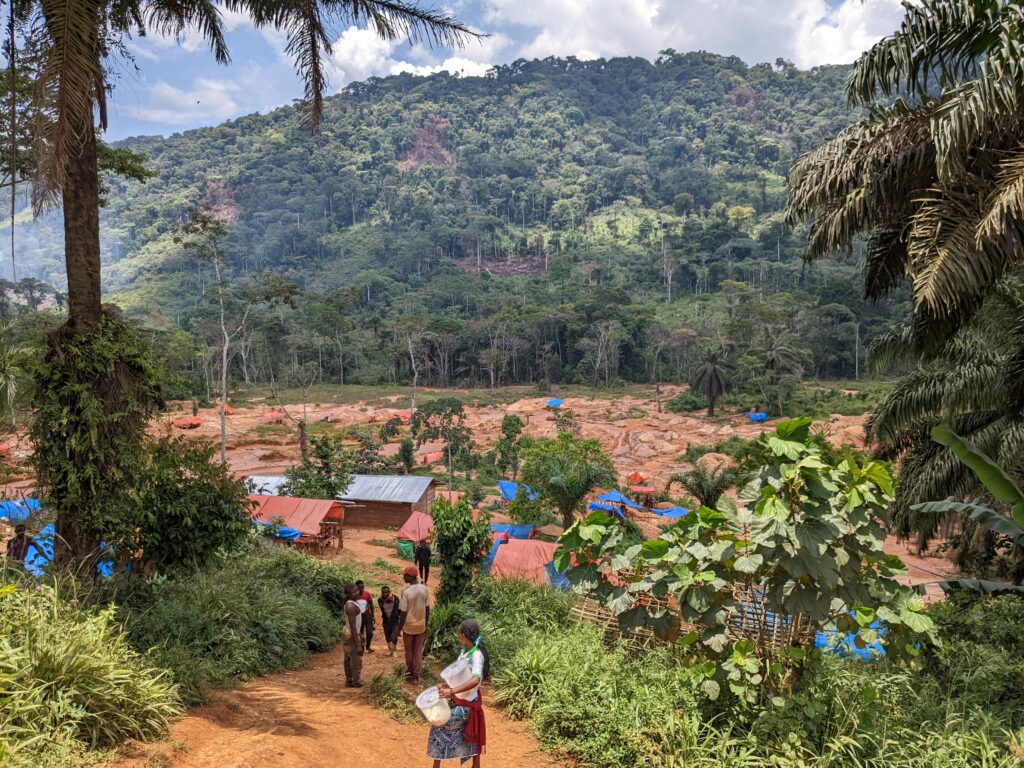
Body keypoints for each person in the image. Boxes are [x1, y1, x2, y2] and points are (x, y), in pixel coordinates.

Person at [428, 618, 488, 767]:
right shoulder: (464, 653)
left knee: (439, 725)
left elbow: (475, 680)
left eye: (458, 633)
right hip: (459, 701)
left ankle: (436, 766)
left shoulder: (476, 655)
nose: (457, 636)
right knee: (470, 738)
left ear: (463, 635)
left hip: (467, 705)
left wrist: (452, 691)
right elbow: (459, 676)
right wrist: (445, 686)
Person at [397, 566, 431, 682]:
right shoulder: (424, 590)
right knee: (418, 651)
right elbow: (427, 609)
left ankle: (409, 673)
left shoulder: (405, 592)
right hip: (421, 625)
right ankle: (416, 674)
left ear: (411, 577)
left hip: (409, 626)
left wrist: (398, 629)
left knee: (409, 651)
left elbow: (403, 613)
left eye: (405, 575)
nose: (403, 577)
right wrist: (425, 625)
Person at [342, 583, 364, 688]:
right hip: (351, 634)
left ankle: (349, 680)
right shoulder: (351, 606)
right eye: (354, 591)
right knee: (355, 658)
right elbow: (353, 626)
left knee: (348, 657)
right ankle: (356, 680)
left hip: (349, 633)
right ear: (348, 594)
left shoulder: (352, 603)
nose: (357, 592)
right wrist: (358, 643)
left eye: (357, 590)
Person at [378, 585, 401, 656]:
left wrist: (398, 617)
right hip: (386, 621)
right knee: (387, 636)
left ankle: (394, 651)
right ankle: (390, 650)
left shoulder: (396, 599)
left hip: (395, 620)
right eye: (383, 592)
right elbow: (383, 610)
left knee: (394, 636)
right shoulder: (380, 600)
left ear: (389, 592)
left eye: (386, 592)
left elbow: (399, 609)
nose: (384, 594)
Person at [356, 579, 375, 653]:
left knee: (370, 632)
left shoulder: (367, 594)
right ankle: (361, 646)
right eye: (359, 588)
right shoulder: (354, 596)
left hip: (367, 616)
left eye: (362, 587)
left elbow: (371, 605)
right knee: (360, 633)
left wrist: (373, 616)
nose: (361, 589)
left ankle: (368, 646)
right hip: (358, 617)